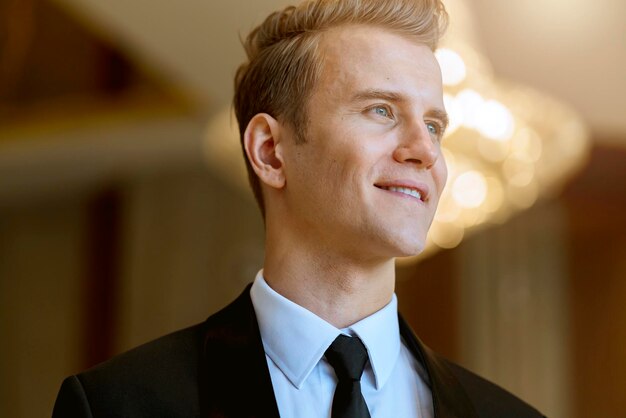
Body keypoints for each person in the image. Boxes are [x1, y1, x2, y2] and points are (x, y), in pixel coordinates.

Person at [53, 0, 545, 417]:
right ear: (270, 150)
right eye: (382, 110)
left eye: (434, 125)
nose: (426, 151)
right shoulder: (117, 405)